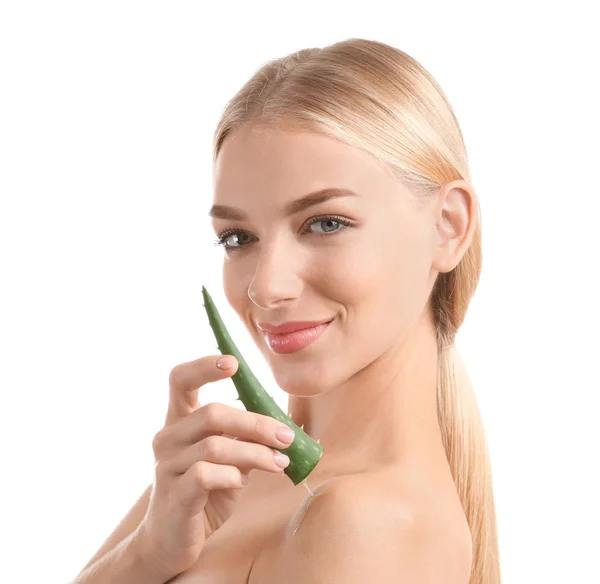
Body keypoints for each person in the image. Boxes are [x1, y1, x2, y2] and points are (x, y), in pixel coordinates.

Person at [74, 37, 501, 584]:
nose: (266, 287)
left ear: (448, 227)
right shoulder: (222, 477)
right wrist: (148, 554)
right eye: (238, 237)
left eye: (326, 223)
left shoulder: (373, 523)